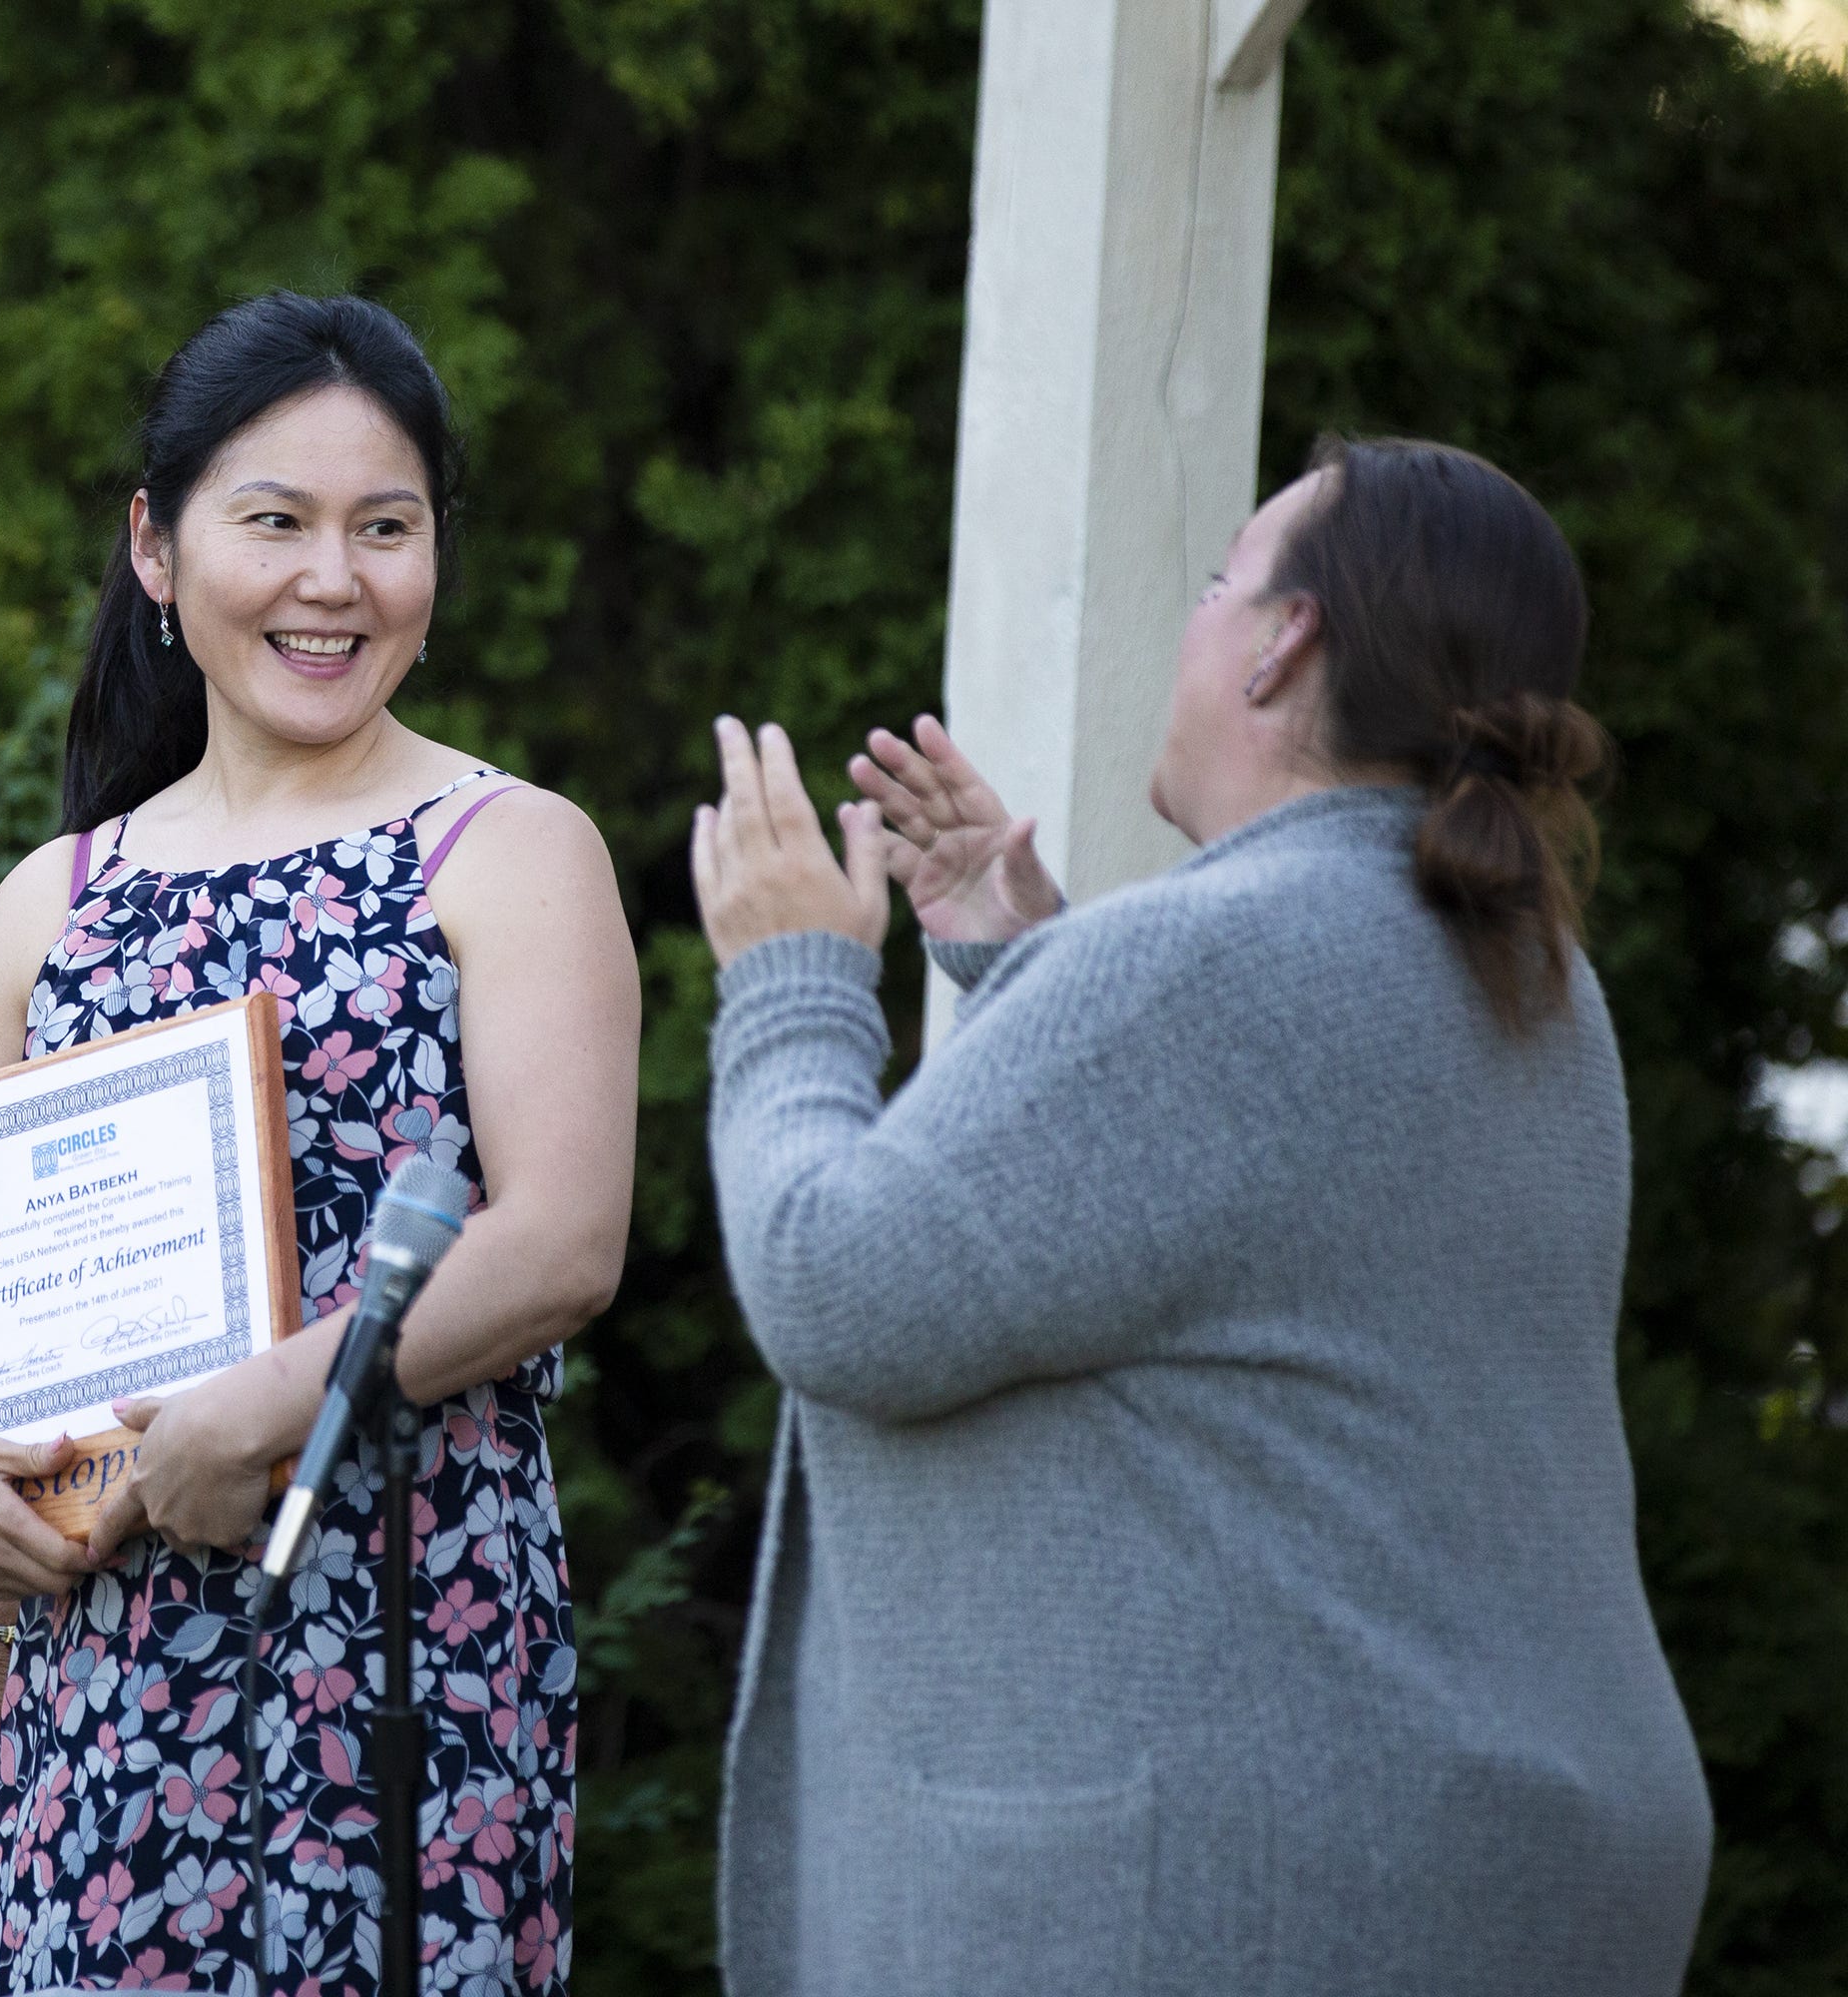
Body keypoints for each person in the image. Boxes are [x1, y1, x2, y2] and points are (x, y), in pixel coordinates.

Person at [690, 437, 1712, 1995]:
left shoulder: (1215, 959)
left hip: (1274, 1881)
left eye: (1220, 576)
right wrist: (1032, 958)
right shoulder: (1528, 979)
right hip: (1495, 1856)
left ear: (1284, 641)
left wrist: (791, 979)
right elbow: (1242, 1219)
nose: (1201, 609)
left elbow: (834, 1289)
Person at [0, 292, 640, 1996]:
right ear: (158, 550)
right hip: (102, 1680)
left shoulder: (506, 849)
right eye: (275, 522)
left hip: (407, 1659)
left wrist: (266, 1411)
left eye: (385, 528)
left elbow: (560, 1244)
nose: (333, 579)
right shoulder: (63, 900)